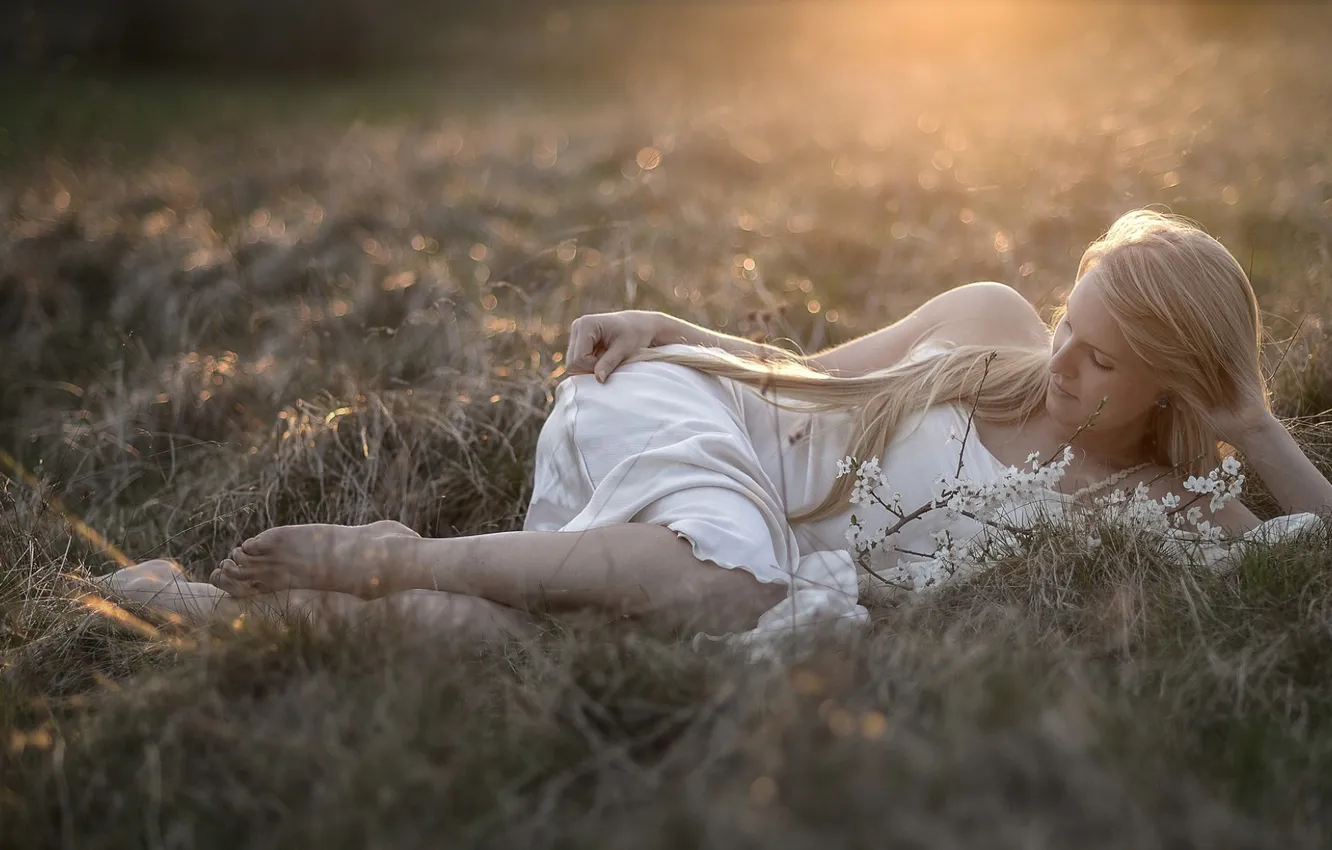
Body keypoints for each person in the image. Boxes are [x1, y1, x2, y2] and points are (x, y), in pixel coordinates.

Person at [102, 209, 1332, 645]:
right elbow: (797, 377)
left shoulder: (1174, 515)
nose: (1056, 360)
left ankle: (201, 605)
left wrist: (1258, 428)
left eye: (1101, 358)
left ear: (1175, 392)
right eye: (1069, 322)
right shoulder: (988, 321)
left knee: (481, 654)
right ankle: (391, 551)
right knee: (721, 580)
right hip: (705, 444)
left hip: (748, 574)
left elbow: (1313, 561)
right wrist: (666, 325)